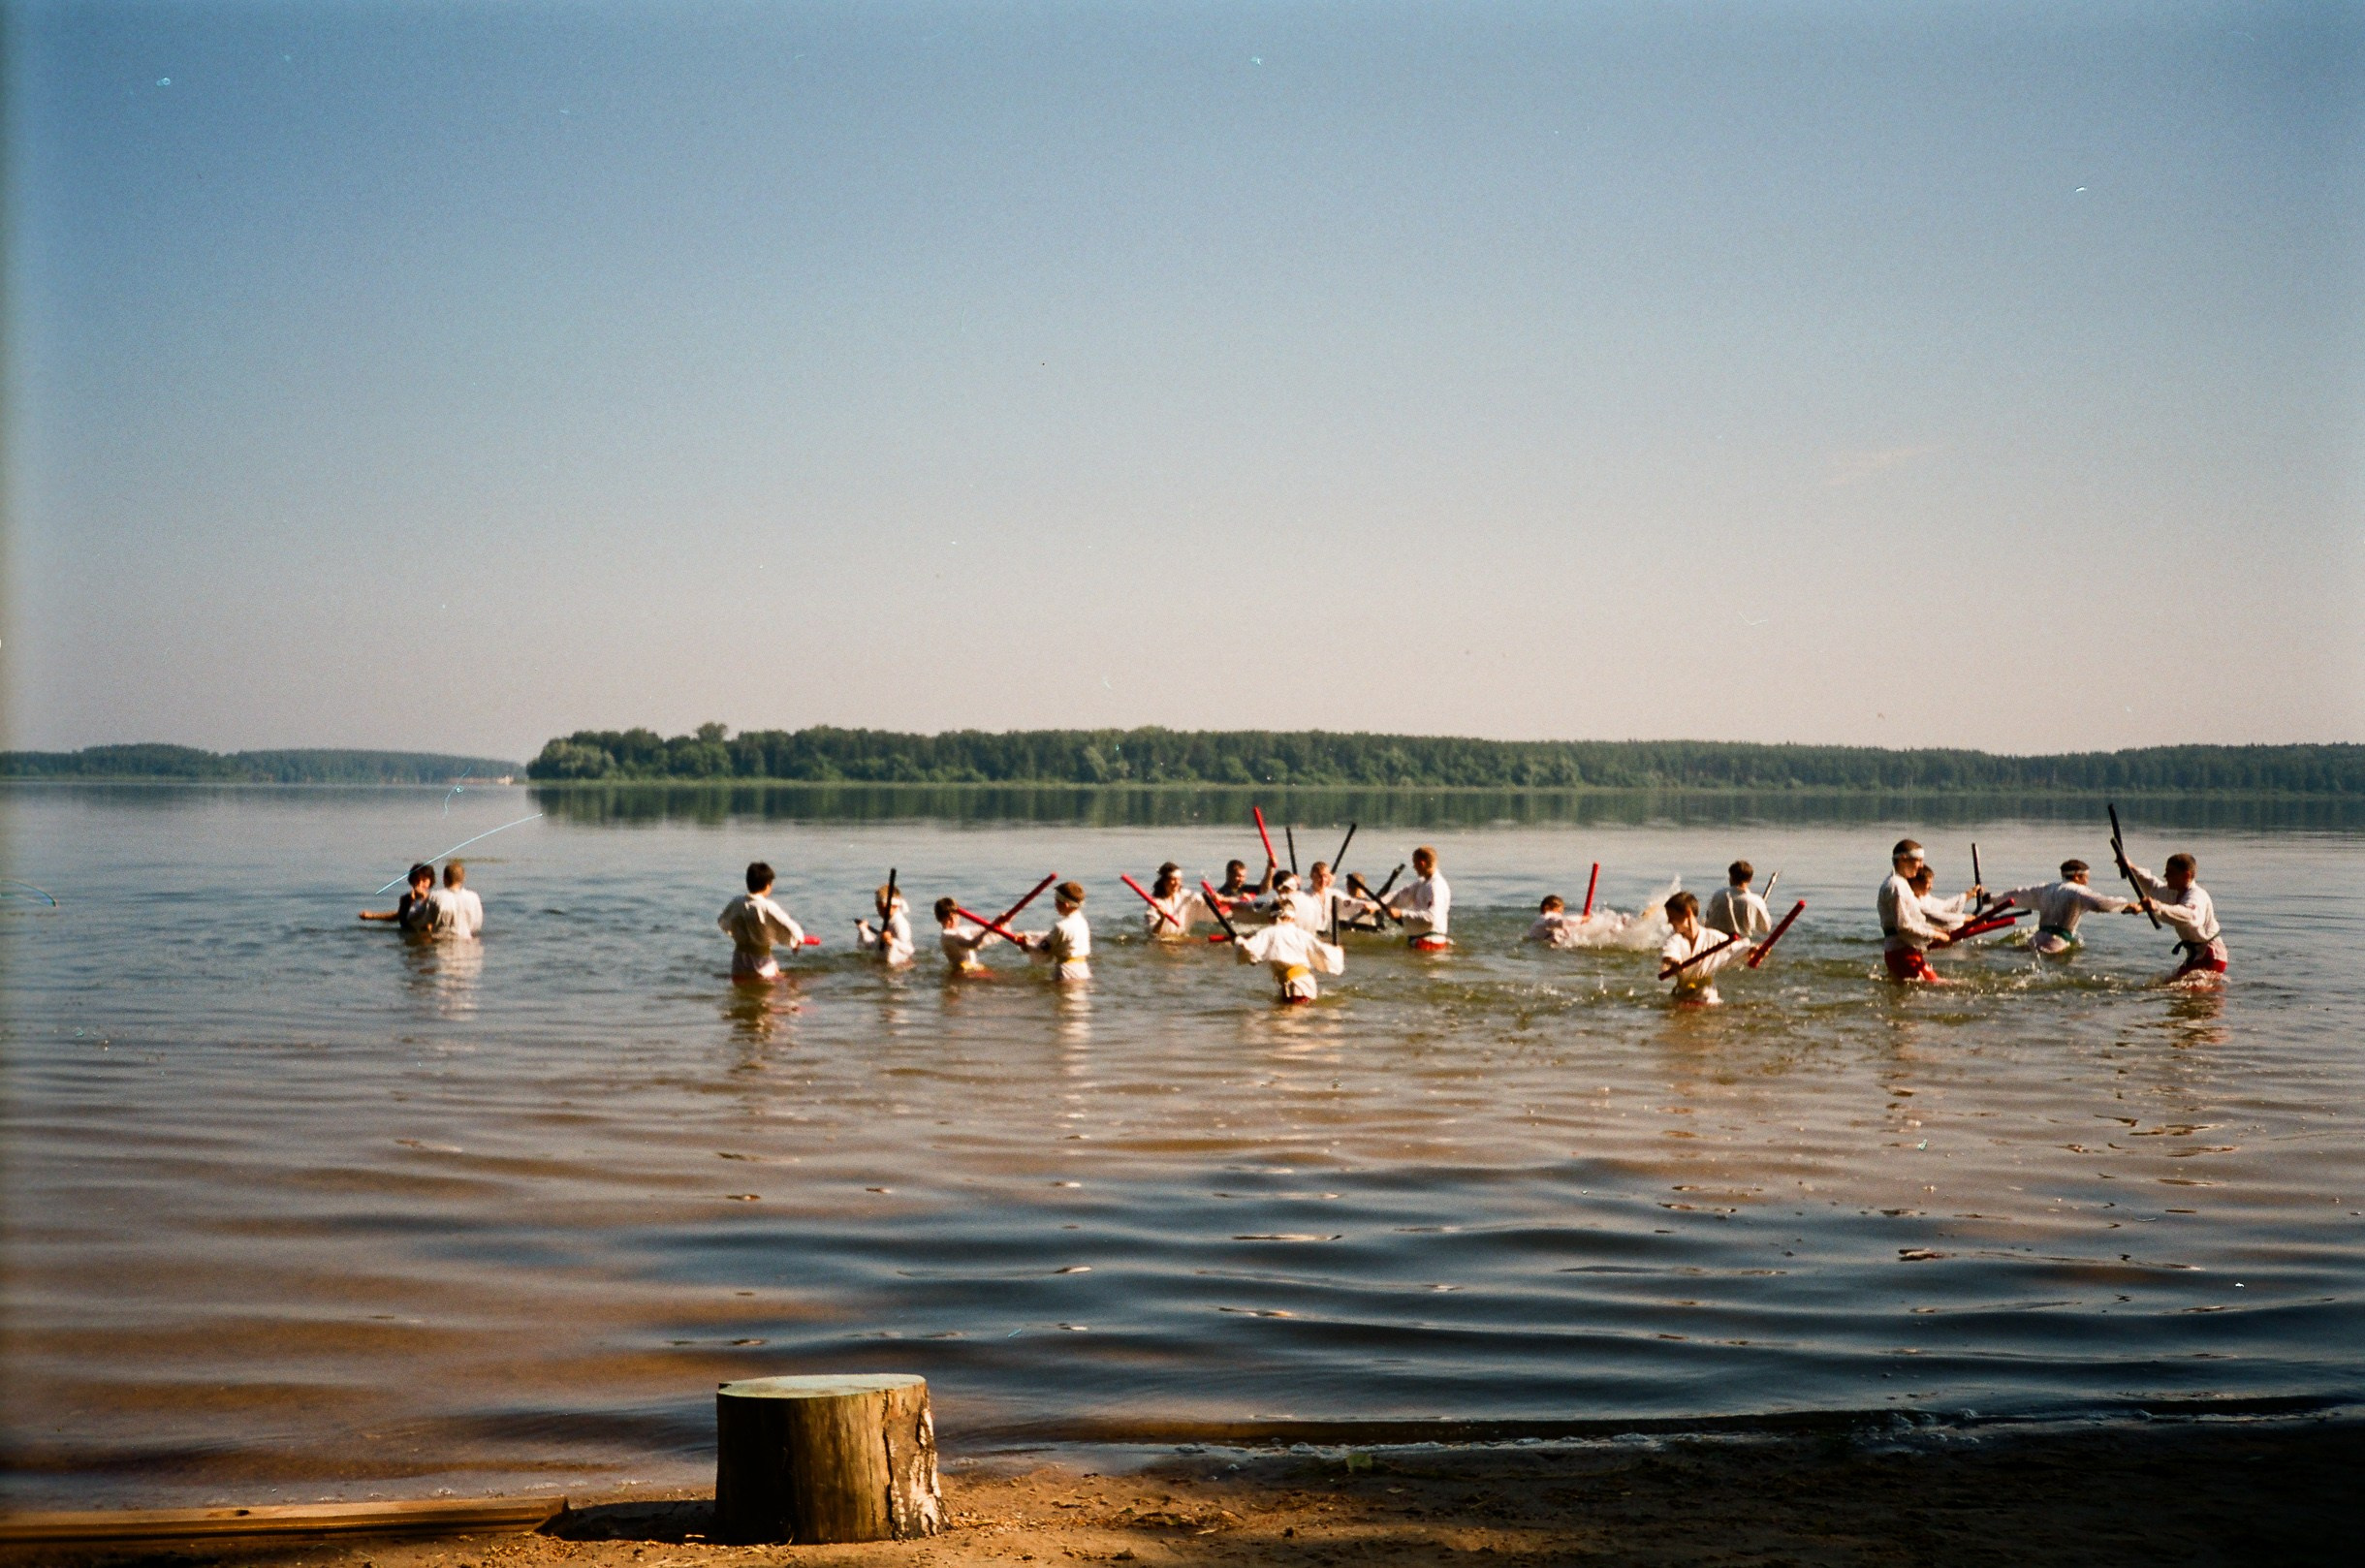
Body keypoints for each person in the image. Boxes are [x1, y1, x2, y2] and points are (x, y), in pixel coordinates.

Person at [1877, 839, 1977, 983]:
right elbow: (1903, 926)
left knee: (1930, 989)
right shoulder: (1896, 886)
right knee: (1940, 987)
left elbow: (1919, 916)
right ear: (1903, 859)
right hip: (1901, 953)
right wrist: (1936, 935)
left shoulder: (1902, 884)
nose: (1921, 866)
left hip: (1905, 952)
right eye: (1918, 860)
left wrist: (1938, 934)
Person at [2121, 852, 2228, 984]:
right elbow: (2153, 887)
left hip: (2211, 956)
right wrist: (2130, 868)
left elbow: (2189, 916)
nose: (2165, 876)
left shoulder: (2197, 895)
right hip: (2196, 955)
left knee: (2175, 990)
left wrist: (2156, 906)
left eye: (2170, 873)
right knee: (2168, 987)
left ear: (2186, 875)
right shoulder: (2174, 893)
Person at [1990, 859, 2130, 956]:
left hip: (2035, 939)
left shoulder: (2046, 889)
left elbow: (2017, 894)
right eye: (2086, 878)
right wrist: (2128, 904)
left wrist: (1990, 899)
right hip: (2057, 944)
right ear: (2077, 876)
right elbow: (2101, 904)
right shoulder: (2078, 891)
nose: (2087, 882)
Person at [718, 861, 805, 983]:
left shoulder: (736, 902)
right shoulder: (767, 906)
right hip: (761, 961)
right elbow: (791, 927)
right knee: (774, 993)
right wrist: (796, 941)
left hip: (738, 962)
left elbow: (723, 921)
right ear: (767, 885)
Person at [1234, 908, 1346, 1002]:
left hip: (1296, 985)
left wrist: (1239, 942)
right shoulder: (1301, 934)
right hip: (1304, 982)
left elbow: (1250, 951)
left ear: (1270, 918)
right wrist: (1336, 950)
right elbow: (1322, 951)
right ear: (1293, 919)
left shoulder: (1269, 932)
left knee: (1289, 1025)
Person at [1658, 891, 1750, 1005]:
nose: (1669, 921)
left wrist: (1755, 951)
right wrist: (1674, 962)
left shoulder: (1714, 937)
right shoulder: (1674, 939)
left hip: (1707, 996)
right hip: (1682, 994)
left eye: (1672, 917)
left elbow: (1741, 949)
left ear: (1687, 913)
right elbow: (1669, 954)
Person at [1382, 845, 1452, 950]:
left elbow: (1431, 917)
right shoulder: (1423, 882)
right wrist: (1375, 904)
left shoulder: (1435, 886)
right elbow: (1400, 895)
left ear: (1422, 863)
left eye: (1414, 863)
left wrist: (1401, 913)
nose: (1413, 867)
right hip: (1421, 941)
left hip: (1428, 944)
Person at [1022, 881, 1092, 982]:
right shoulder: (1082, 922)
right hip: (1083, 970)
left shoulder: (1061, 926)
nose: (1055, 904)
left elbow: (1043, 949)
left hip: (1066, 972)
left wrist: (1026, 944)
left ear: (1066, 905)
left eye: (1057, 901)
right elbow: (1053, 936)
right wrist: (1028, 935)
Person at [360, 863, 438, 933]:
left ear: (430, 882)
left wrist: (424, 897)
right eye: (417, 880)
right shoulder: (405, 899)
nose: (420, 884)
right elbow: (399, 915)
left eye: (424, 881)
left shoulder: (434, 899)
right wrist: (372, 916)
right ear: (412, 881)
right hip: (407, 937)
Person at [1140, 862, 1211, 940]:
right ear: (1164, 881)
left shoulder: (1186, 895)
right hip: (1162, 942)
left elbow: (1203, 901)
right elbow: (1152, 934)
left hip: (1181, 939)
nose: (1177, 883)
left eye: (1179, 879)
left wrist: (1216, 899)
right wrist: (1162, 919)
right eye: (1173, 879)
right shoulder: (1156, 902)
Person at [1704, 861, 1772, 939]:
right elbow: (1766, 928)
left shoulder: (1718, 894)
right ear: (1750, 879)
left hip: (1714, 940)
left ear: (1731, 877)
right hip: (1741, 943)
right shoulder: (1757, 901)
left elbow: (1708, 916)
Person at [855, 884, 915, 967]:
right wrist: (864, 931)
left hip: (900, 968)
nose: (880, 912)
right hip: (886, 965)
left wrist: (891, 941)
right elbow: (874, 946)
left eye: (883, 908)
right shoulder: (888, 921)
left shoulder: (900, 923)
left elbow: (909, 950)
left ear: (895, 906)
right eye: (878, 908)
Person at [935, 895, 993, 975]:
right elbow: (972, 944)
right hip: (962, 974)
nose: (953, 920)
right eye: (948, 919)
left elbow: (983, 929)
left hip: (972, 969)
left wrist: (1001, 922)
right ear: (940, 919)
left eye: (955, 916)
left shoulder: (962, 930)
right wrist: (988, 930)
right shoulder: (947, 936)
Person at [428, 861, 485, 940]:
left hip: (441, 942)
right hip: (467, 942)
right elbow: (477, 925)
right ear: (464, 878)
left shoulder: (435, 896)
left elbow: (424, 920)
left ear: (444, 879)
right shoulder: (474, 897)